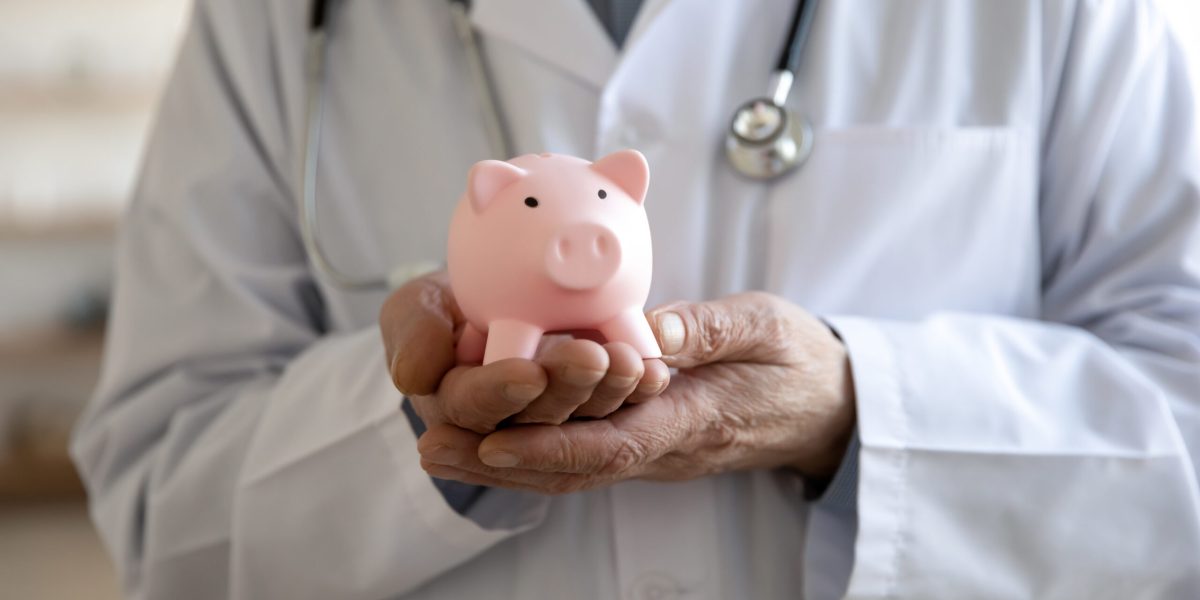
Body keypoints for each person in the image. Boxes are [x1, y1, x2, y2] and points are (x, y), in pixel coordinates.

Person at [72, 0, 1200, 598]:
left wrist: (857, 408)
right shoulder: (276, 20)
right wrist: (415, 424)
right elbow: (163, 500)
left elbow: (1184, 412)